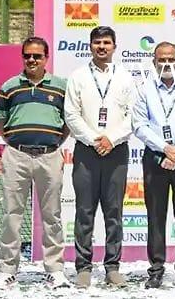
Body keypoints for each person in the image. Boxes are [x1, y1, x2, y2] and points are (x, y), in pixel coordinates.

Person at [0, 37, 71, 290]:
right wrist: (18, 143)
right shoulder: (9, 86)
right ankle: (7, 271)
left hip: (50, 156)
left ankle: (55, 271)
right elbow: (0, 121)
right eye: (27, 55)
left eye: (37, 56)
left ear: (46, 58)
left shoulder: (61, 87)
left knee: (52, 216)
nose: (32, 60)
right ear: (23, 57)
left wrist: (51, 143)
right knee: (12, 216)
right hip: (17, 156)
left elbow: (67, 123)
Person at [64, 26, 136, 288]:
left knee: (114, 212)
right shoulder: (78, 76)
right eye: (97, 42)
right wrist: (95, 139)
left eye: (106, 42)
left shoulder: (125, 78)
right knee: (84, 211)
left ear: (114, 46)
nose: (102, 47)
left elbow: (134, 116)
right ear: (90, 46)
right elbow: (71, 114)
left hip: (116, 152)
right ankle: (83, 267)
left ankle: (112, 267)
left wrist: (111, 139)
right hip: (87, 151)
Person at [132, 41, 175, 289]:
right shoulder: (144, 90)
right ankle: (156, 269)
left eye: (171, 59)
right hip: (155, 158)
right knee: (155, 215)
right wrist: (165, 148)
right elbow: (139, 126)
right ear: (154, 63)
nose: (166, 63)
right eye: (161, 59)